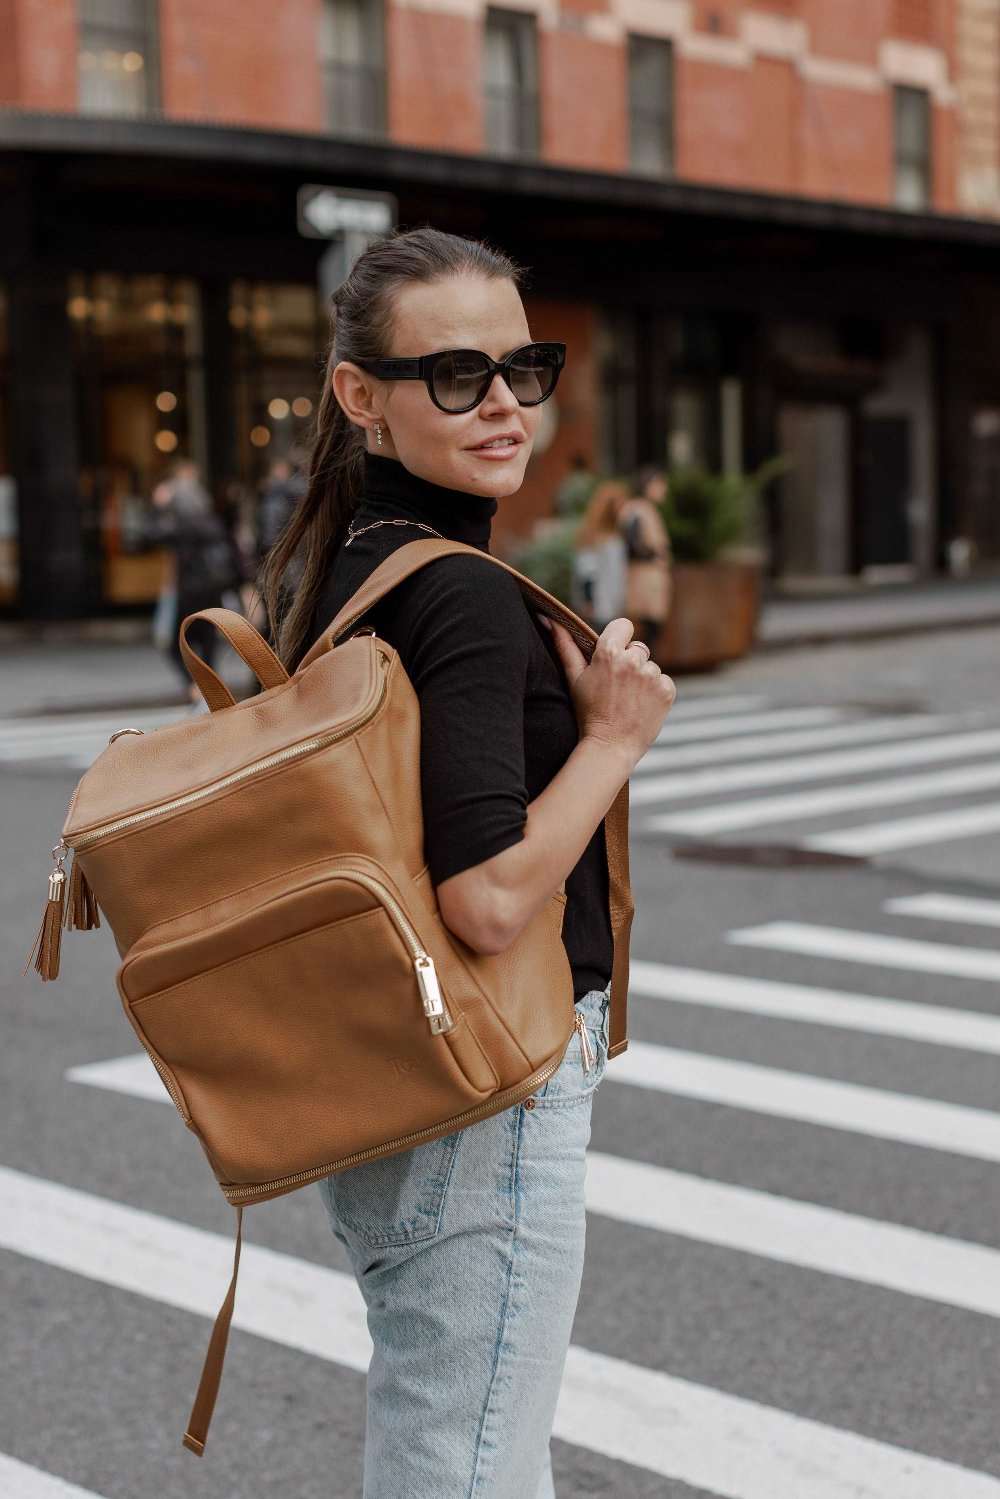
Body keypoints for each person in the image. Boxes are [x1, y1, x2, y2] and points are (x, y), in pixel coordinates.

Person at [258, 226, 674, 1498]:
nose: (500, 401)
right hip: (484, 1085)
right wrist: (612, 739)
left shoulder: (350, 566)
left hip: (401, 1074)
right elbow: (488, 896)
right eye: (452, 373)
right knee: (474, 1459)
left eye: (520, 367)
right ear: (358, 395)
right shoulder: (461, 593)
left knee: (457, 1434)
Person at [130, 459, 242, 711]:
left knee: (175, 642)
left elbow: (148, 535)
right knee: (207, 637)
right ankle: (209, 688)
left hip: (190, 589)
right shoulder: (209, 520)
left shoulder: (181, 524)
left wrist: (158, 507)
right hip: (213, 587)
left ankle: (197, 687)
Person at [618, 463, 673, 652]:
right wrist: (653, 554)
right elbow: (631, 544)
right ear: (648, 485)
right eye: (660, 485)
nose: (663, 490)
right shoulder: (637, 509)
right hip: (644, 577)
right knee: (647, 627)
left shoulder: (645, 509)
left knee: (652, 627)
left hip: (650, 576)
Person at [570, 478, 630, 633]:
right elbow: (587, 572)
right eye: (621, 505)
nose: (625, 510)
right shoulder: (595, 538)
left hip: (612, 609)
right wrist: (589, 601)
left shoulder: (615, 536)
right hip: (598, 609)